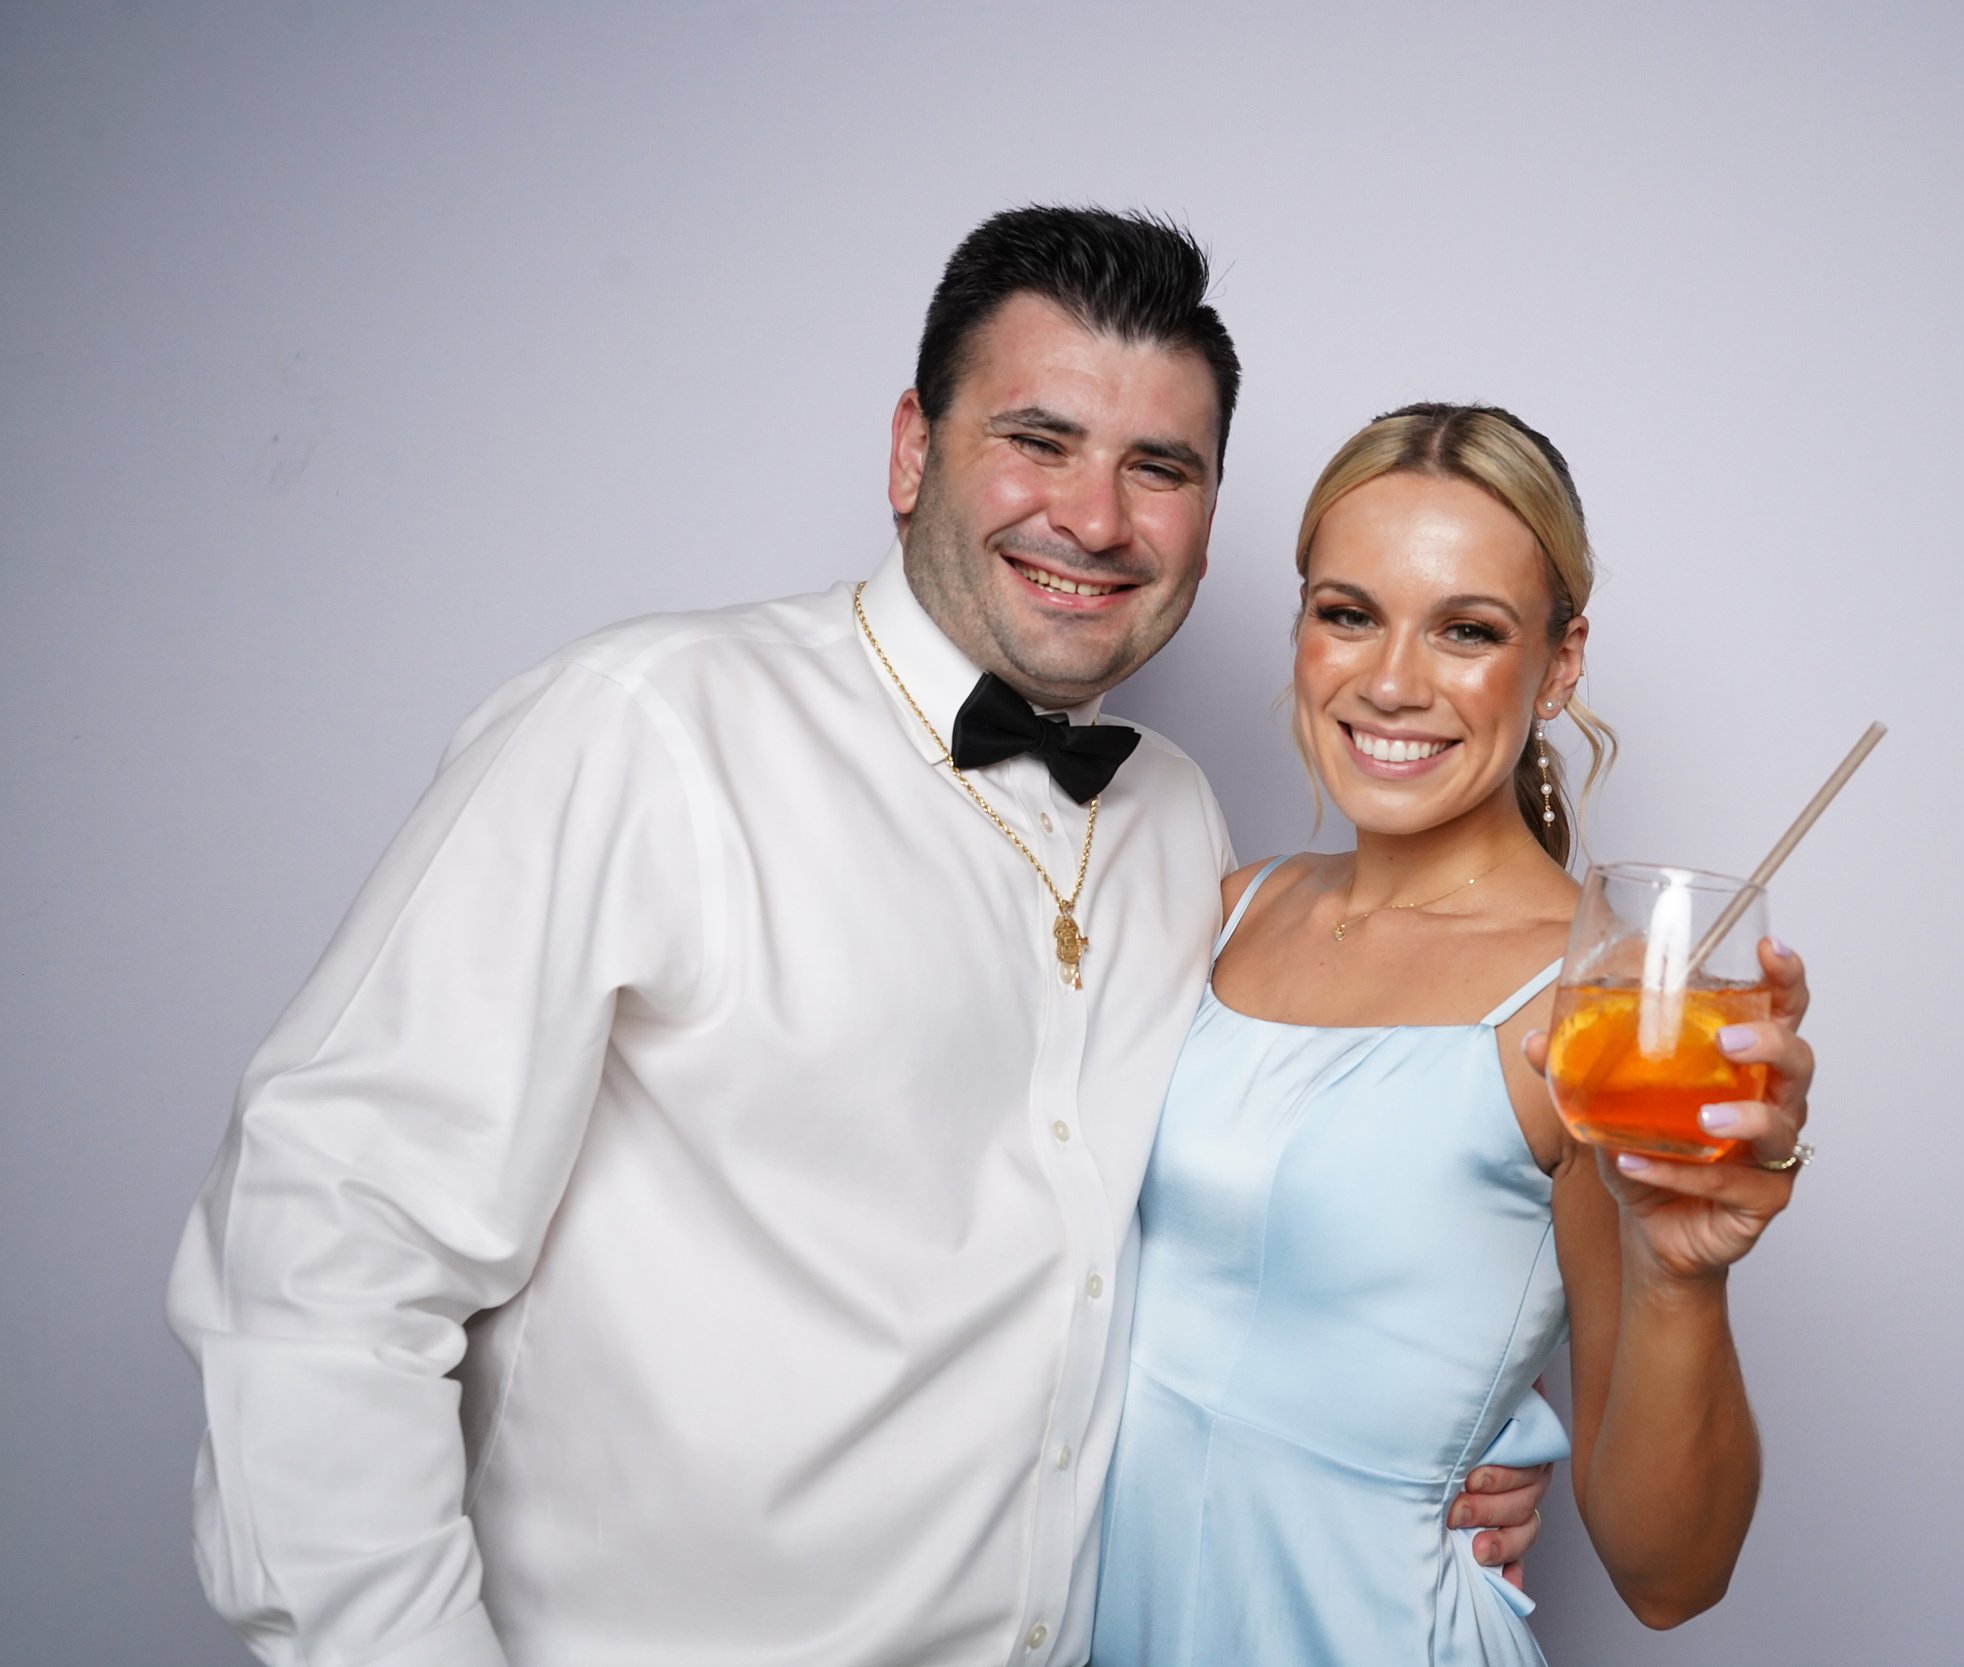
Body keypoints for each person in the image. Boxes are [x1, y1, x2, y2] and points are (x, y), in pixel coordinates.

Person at [165, 208, 1542, 1667]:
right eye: (1041, 438)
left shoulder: (1181, 829)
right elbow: (319, 1259)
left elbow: (1219, 1238)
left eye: (1161, 468)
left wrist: (1424, 1446)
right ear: (911, 450)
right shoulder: (649, 728)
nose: (1095, 519)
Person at [1089, 403, 1817, 1665]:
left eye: (1467, 630)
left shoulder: (1589, 1015)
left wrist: (1684, 1277)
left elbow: (1668, 1573)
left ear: (1561, 658)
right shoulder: (1218, 905)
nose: (1391, 681)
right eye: (1348, 611)